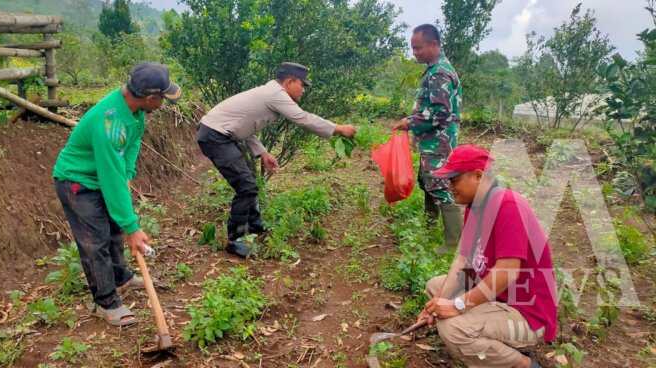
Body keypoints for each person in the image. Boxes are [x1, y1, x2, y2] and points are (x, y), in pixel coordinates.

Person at [53, 62, 180, 326]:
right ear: (150, 98)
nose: (163, 104)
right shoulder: (110, 124)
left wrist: (128, 173)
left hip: (102, 175)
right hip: (78, 182)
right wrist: (133, 228)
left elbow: (132, 144)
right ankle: (106, 303)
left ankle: (121, 277)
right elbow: (110, 177)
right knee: (95, 243)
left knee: (113, 231)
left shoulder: (135, 112)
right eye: (163, 99)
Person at [417, 145, 557, 368]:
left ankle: (523, 364)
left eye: (454, 179)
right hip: (499, 296)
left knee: (452, 329)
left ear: (478, 175)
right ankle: (486, 333)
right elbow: (462, 259)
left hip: (527, 313)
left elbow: (507, 271)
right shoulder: (475, 205)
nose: (449, 186)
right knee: (435, 287)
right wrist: (438, 304)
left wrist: (458, 305)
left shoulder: (508, 206)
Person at [197, 62, 356, 258]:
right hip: (215, 137)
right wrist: (338, 128)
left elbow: (244, 126)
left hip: (221, 135)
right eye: (302, 85)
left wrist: (263, 153)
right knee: (246, 185)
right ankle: (235, 240)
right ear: (290, 81)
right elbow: (302, 118)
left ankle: (255, 226)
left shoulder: (269, 93)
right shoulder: (275, 94)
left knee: (249, 181)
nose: (303, 90)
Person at [393, 24, 462, 252]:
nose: (415, 53)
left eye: (418, 48)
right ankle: (429, 229)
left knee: (439, 186)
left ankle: (453, 243)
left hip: (439, 143)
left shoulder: (439, 72)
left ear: (433, 44)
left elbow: (440, 112)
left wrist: (410, 123)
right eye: (413, 48)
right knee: (428, 183)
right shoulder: (435, 69)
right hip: (433, 141)